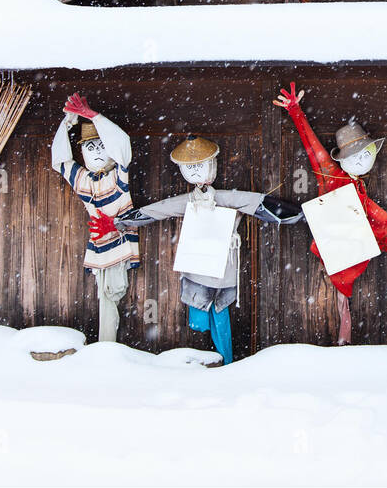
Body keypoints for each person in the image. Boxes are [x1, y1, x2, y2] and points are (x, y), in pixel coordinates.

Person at [91, 135, 302, 364]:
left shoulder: (227, 198)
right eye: (189, 167)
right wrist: (120, 222)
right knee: (200, 318)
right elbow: (160, 209)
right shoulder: (189, 200)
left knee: (220, 316)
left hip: (222, 265)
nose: (194, 172)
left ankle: (226, 361)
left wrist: (300, 214)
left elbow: (260, 204)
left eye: (198, 166)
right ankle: (208, 359)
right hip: (197, 265)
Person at [273, 82, 387, 344]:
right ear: (342, 160)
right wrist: (295, 111)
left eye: (365, 154)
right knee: (338, 302)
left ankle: (343, 340)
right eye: (355, 156)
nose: (362, 160)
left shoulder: (361, 195)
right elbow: (313, 149)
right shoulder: (332, 177)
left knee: (343, 302)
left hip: (348, 250)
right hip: (336, 252)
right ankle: (342, 340)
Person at [51, 93, 139, 343]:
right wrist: (67, 122)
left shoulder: (118, 176)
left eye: (101, 146)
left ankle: (107, 345)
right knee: (105, 296)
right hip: (98, 244)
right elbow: (60, 161)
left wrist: (95, 118)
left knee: (112, 294)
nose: (97, 153)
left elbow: (122, 149)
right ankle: (106, 344)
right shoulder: (83, 180)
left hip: (120, 241)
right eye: (91, 147)